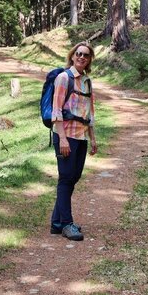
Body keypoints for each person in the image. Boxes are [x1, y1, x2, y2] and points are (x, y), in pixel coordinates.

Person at [50, 42, 97, 241]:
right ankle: (67, 224)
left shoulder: (87, 81)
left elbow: (90, 112)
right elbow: (56, 111)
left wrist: (93, 138)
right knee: (66, 177)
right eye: (78, 54)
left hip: (81, 136)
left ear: (89, 59)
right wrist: (62, 139)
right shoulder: (63, 78)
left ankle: (57, 222)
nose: (81, 57)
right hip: (66, 135)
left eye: (86, 55)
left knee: (73, 177)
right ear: (72, 56)